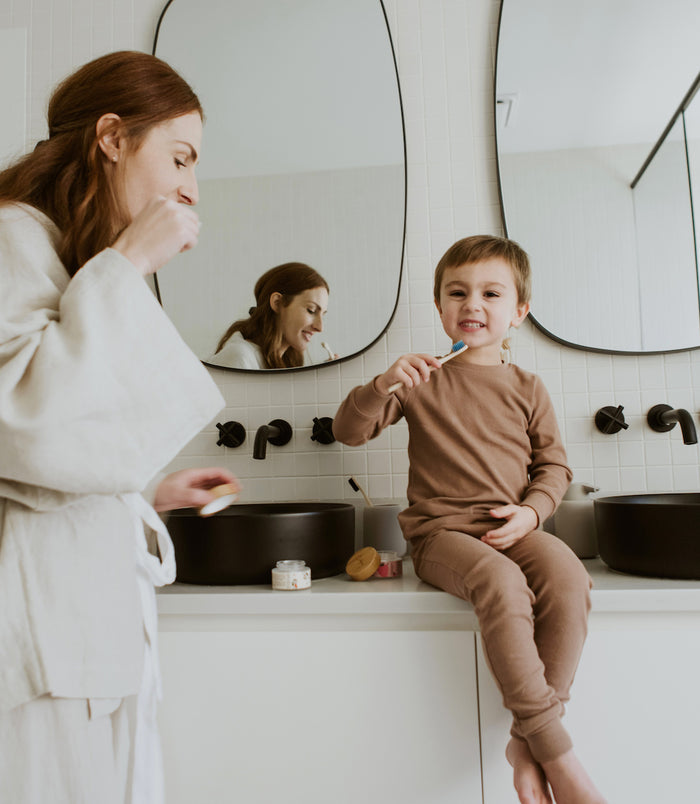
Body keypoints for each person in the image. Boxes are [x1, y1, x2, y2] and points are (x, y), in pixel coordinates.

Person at [0, 51, 240, 804]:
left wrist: (144, 494)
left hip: (81, 641)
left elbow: (56, 445)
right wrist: (128, 263)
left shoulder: (62, 256)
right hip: (41, 651)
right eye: (180, 156)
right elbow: (24, 418)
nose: (190, 187)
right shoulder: (12, 236)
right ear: (112, 136)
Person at [332, 235, 606, 804]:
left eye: (490, 293)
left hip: (515, 530)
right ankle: (558, 754)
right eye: (457, 293)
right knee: (502, 585)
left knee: (571, 577)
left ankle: (525, 741)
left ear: (519, 311)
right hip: (441, 538)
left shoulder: (528, 387)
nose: (472, 305)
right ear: (439, 307)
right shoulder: (421, 379)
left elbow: (553, 466)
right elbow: (347, 432)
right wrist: (383, 383)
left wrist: (532, 514)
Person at [213, 262, 331, 369]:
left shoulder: (285, 363)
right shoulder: (238, 357)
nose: (320, 327)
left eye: (323, 315)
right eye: (311, 310)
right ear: (277, 303)